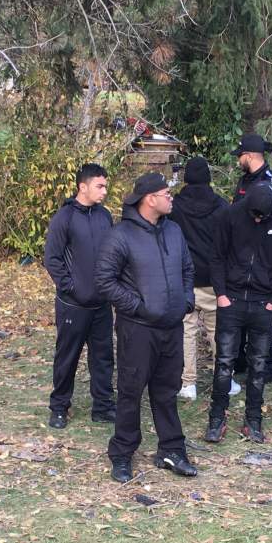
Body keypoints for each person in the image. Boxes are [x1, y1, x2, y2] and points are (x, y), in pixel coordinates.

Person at [95, 172, 198, 483]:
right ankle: (122, 454)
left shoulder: (174, 231)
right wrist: (138, 307)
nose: (171, 198)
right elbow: (105, 281)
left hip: (172, 327)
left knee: (166, 391)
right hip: (137, 329)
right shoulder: (121, 235)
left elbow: (187, 269)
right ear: (149, 199)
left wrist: (186, 301)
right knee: (130, 392)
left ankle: (171, 450)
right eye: (166, 193)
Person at [205, 182, 272, 444]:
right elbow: (217, 257)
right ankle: (216, 418)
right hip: (231, 300)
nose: (257, 220)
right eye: (254, 215)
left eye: (262, 217)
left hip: (262, 303)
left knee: (258, 365)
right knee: (224, 362)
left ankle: (253, 419)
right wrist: (221, 294)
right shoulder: (229, 215)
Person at [42, 163, 115, 429]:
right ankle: (59, 407)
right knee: (67, 357)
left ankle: (103, 407)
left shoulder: (105, 216)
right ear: (82, 187)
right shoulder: (65, 217)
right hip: (73, 305)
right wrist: (72, 288)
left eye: (105, 185)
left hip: (102, 304)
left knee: (104, 357)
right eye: (100, 186)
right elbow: (52, 259)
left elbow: (113, 254)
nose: (104, 191)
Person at [169, 157, 231, 401]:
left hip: (184, 279)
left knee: (187, 331)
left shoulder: (174, 206)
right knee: (219, 331)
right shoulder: (222, 207)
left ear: (186, 178)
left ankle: (188, 383)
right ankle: (224, 379)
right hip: (215, 280)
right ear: (208, 178)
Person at [230, 133, 272, 385]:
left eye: (240, 155)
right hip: (241, 257)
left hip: (263, 259)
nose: (238, 160)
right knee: (240, 310)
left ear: (249, 156)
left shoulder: (271, 182)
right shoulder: (244, 180)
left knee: (261, 316)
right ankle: (241, 361)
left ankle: (266, 365)